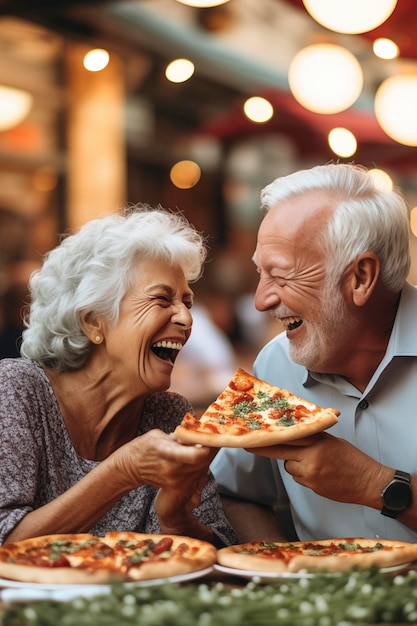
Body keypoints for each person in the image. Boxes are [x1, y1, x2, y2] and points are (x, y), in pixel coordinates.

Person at [0, 204, 236, 548]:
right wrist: (122, 471)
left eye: (187, 301)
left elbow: (221, 554)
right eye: (162, 299)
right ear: (94, 321)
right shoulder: (17, 390)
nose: (186, 318)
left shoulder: (167, 414)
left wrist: (177, 520)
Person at [211, 162, 417, 543]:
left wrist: (374, 484)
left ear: (361, 278)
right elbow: (230, 494)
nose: (260, 300)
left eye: (282, 274)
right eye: (261, 273)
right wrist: (283, 571)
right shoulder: (274, 363)